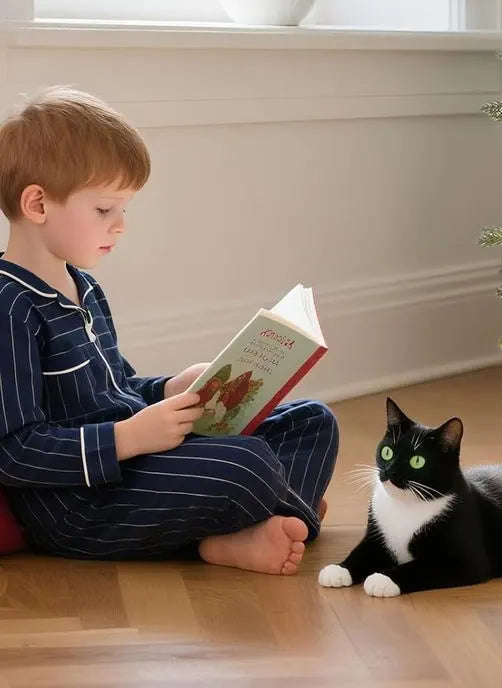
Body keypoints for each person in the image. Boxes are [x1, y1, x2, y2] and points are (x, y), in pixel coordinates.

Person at [0, 87, 338, 574]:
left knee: (311, 420)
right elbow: (13, 451)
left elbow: (116, 389)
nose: (120, 225)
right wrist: (126, 438)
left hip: (135, 463)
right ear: (37, 204)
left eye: (125, 210)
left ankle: (268, 516)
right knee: (248, 463)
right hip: (78, 505)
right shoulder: (9, 307)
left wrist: (169, 389)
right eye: (104, 209)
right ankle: (265, 520)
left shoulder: (84, 287)